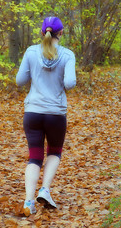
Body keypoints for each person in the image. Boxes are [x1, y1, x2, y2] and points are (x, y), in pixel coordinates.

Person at [16, 17, 76, 216]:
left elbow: (20, 80)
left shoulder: (31, 52)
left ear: (43, 32)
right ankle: (45, 190)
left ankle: (28, 202)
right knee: (54, 152)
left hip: (32, 113)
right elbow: (70, 83)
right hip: (55, 114)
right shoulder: (68, 55)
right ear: (61, 33)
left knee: (34, 157)